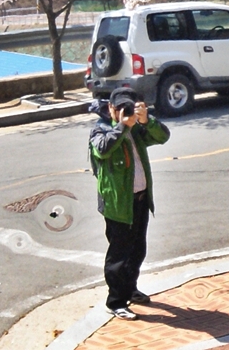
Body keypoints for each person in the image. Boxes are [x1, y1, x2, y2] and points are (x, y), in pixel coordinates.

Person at [89, 87, 170, 320]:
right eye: (121, 108)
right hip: (117, 204)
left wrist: (147, 120)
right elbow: (103, 150)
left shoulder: (137, 129)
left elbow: (162, 136)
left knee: (137, 250)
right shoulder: (100, 129)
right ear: (111, 108)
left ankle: (130, 289)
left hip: (140, 199)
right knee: (119, 255)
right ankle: (115, 302)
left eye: (129, 107)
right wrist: (123, 126)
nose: (125, 112)